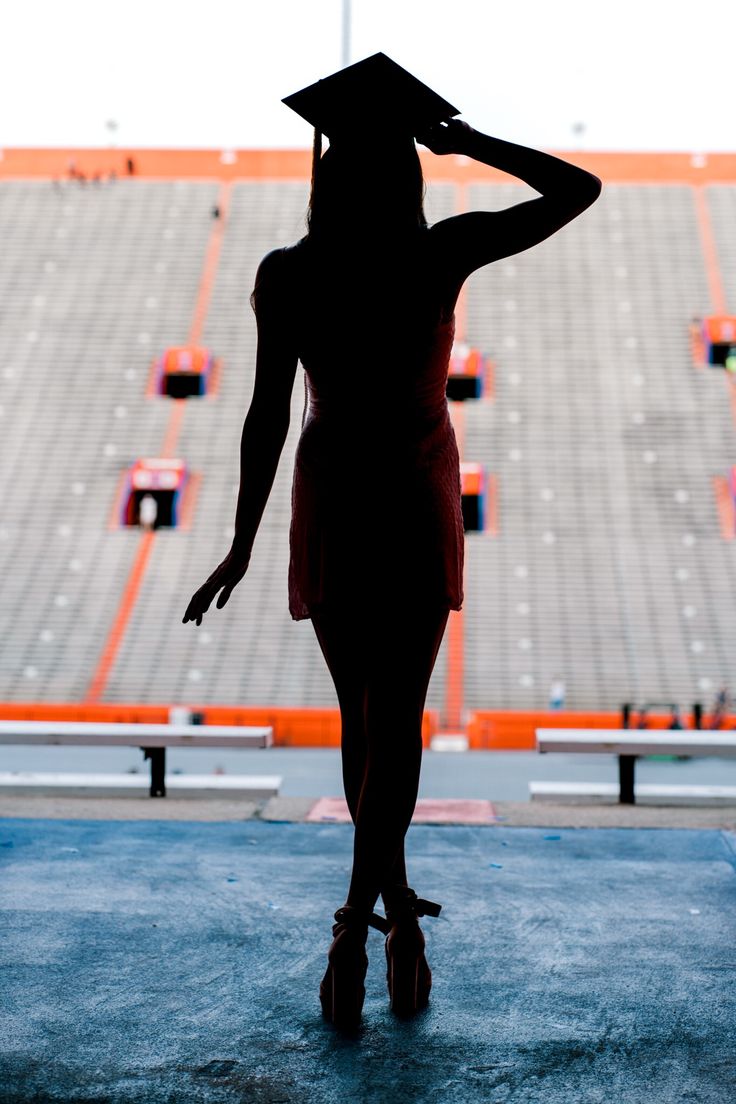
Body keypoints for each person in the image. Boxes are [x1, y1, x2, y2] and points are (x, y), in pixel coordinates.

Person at [182, 53, 601, 1028]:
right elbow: (576, 189)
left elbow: (264, 417)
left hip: (332, 494)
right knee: (396, 725)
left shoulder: (288, 274)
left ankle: (366, 924)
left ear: (326, 177)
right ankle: (377, 927)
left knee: (359, 726)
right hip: (413, 493)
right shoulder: (437, 253)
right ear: (407, 173)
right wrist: (467, 141)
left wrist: (244, 544)